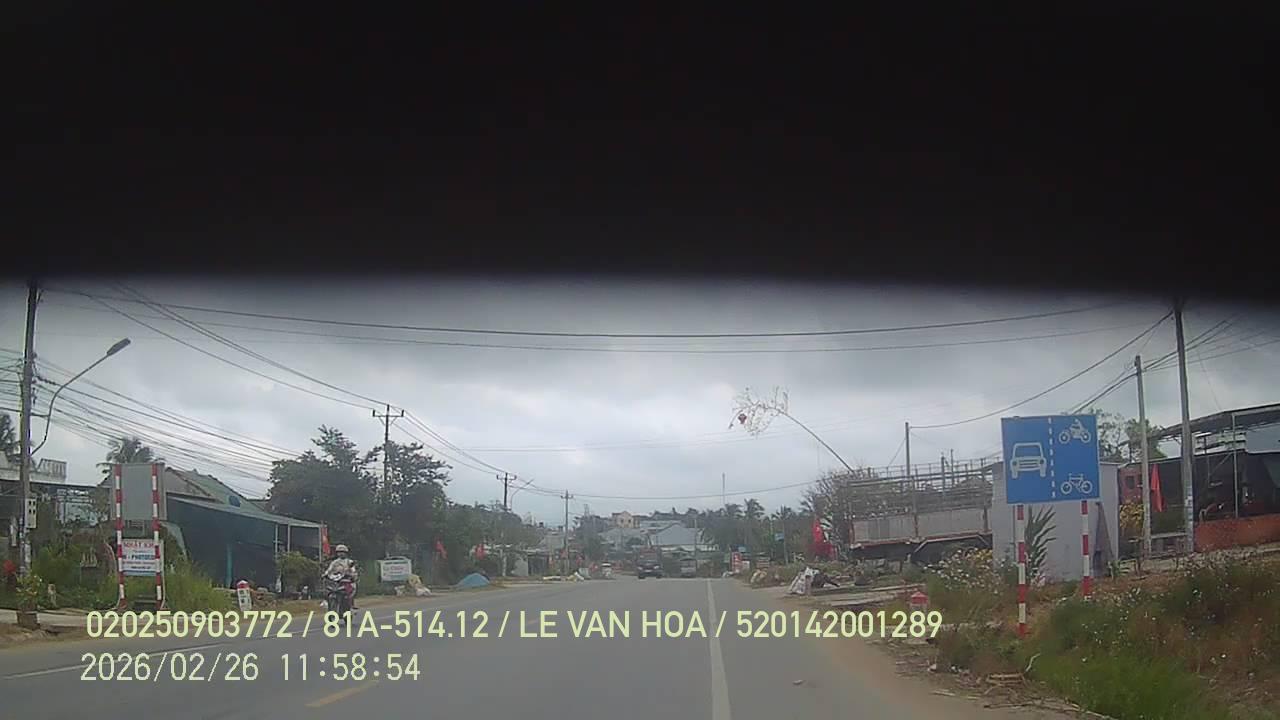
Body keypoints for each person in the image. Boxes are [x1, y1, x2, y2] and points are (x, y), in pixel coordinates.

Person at [324, 544, 359, 609]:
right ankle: (328, 604)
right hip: (336, 581)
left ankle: (351, 604)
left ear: (346, 553)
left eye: (342, 552)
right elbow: (329, 569)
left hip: (346, 580)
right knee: (327, 591)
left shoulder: (349, 561)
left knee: (350, 591)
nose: (341, 554)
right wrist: (325, 574)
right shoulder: (334, 562)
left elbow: (353, 570)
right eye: (339, 552)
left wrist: (352, 575)